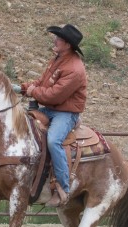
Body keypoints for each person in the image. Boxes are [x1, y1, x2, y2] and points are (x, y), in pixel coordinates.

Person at [21, 24, 87, 207]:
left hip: (66, 113)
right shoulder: (57, 59)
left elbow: (54, 95)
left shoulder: (75, 69)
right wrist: (26, 86)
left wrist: (34, 91)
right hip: (51, 108)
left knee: (53, 140)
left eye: (58, 38)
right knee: (21, 124)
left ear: (67, 44)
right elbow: (42, 82)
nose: (54, 40)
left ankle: (63, 188)